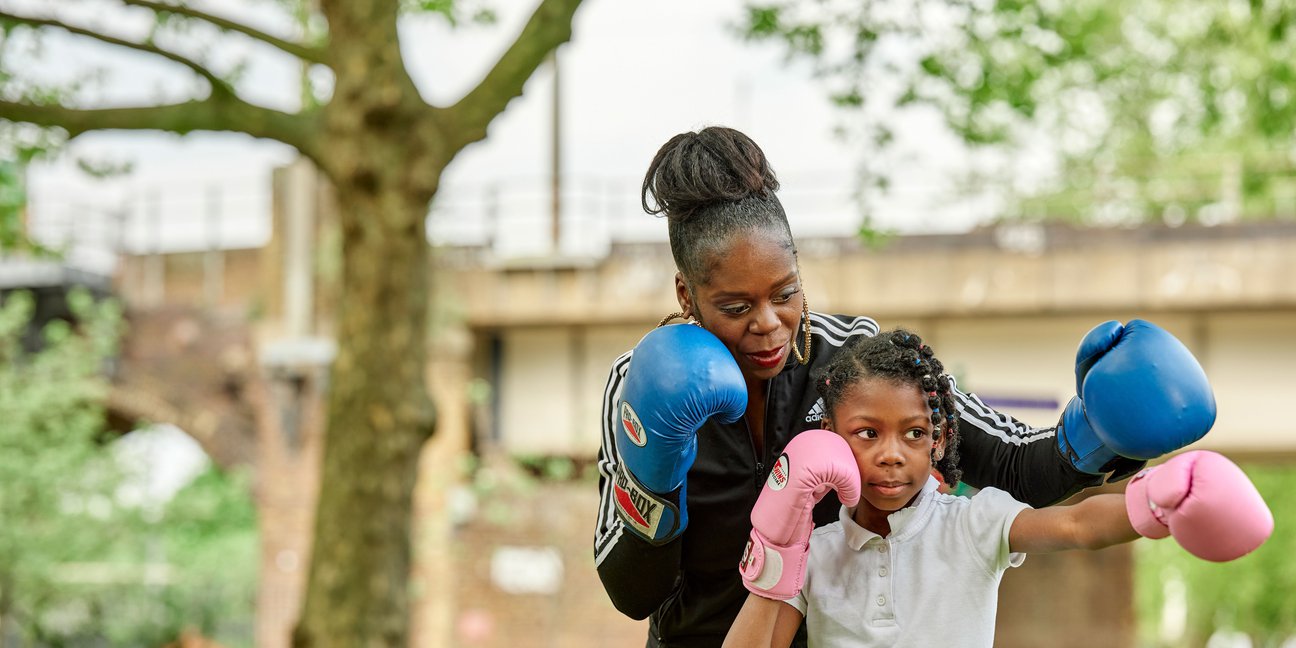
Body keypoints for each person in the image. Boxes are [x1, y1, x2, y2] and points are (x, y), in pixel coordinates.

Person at [593, 126, 1217, 647]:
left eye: (786, 294)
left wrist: (1099, 434)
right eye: (735, 306)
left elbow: (1008, 464)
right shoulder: (636, 387)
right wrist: (653, 477)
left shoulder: (854, 360)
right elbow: (634, 594)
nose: (768, 324)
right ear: (687, 294)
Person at [722, 328, 1273, 647]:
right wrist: (777, 547)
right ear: (831, 440)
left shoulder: (971, 523)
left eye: (914, 433)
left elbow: (1075, 525)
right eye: (867, 434)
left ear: (937, 442)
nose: (892, 453)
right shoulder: (816, 552)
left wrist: (1155, 501)